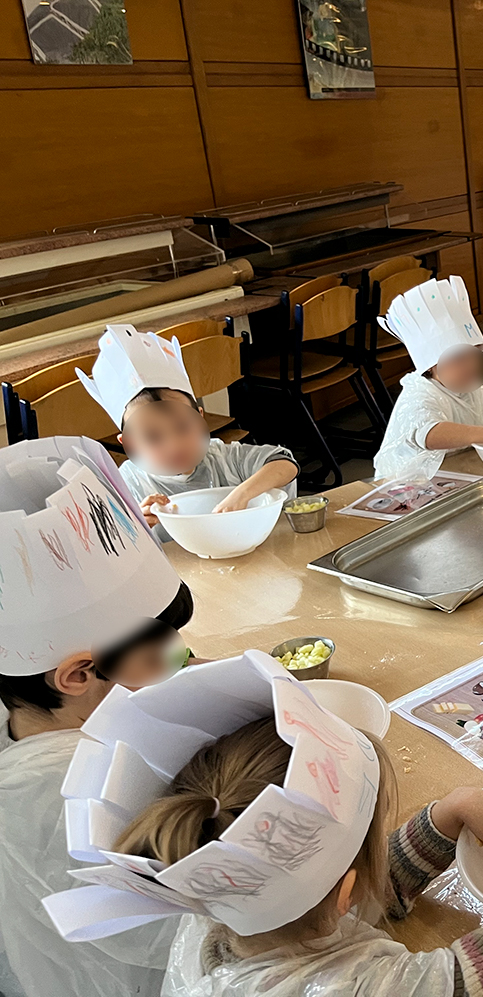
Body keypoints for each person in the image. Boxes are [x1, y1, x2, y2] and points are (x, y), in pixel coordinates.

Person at [43, 652, 483, 997]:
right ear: (348, 891)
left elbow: (337, 887)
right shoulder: (358, 987)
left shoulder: (218, 892)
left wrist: (448, 815)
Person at [0, 437, 194, 997]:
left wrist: (187, 664)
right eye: (162, 652)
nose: (177, 657)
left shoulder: (34, 707)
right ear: (78, 675)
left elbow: (154, 659)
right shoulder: (69, 793)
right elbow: (180, 932)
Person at [77, 325, 298, 530]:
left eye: (183, 427)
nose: (174, 445)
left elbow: (285, 464)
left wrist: (241, 493)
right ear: (131, 443)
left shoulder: (222, 458)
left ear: (200, 420)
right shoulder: (127, 483)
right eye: (153, 437)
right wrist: (136, 524)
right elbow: (111, 543)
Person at [374, 276, 483, 481]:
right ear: (431, 365)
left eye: (473, 356)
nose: (470, 366)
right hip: (406, 484)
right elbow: (430, 435)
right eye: (458, 359)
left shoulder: (476, 392)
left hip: (452, 474)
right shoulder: (419, 392)